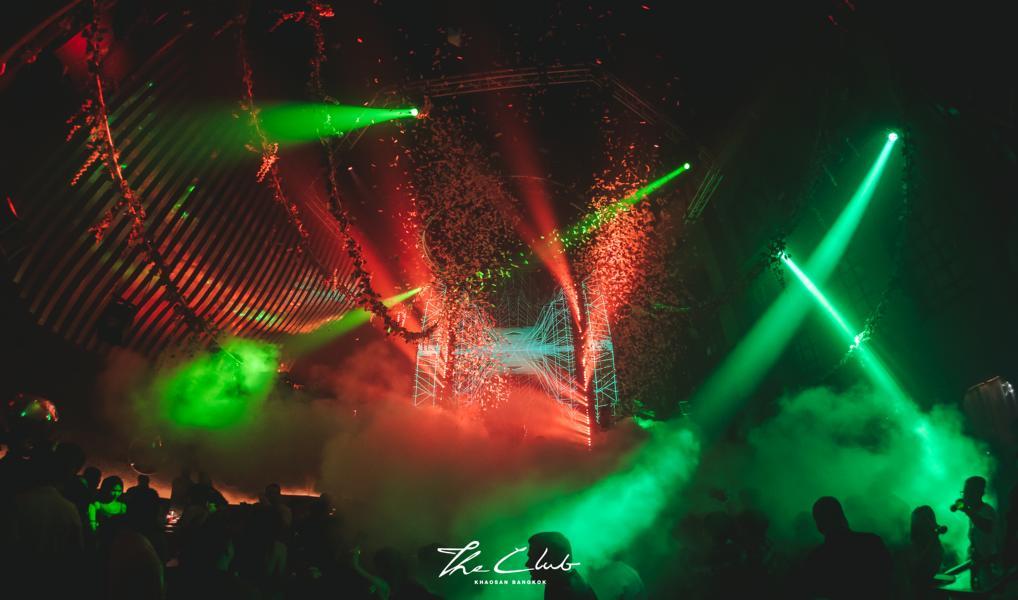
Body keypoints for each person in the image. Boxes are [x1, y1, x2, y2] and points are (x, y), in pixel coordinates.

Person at [802, 496, 893, 600]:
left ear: (819, 526)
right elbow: (888, 580)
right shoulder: (872, 542)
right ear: (843, 517)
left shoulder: (816, 558)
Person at [954, 476, 998, 590]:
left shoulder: (987, 510)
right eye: (964, 492)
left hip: (988, 567)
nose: (964, 496)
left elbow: (987, 527)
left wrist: (967, 510)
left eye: (967, 492)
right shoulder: (973, 512)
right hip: (976, 566)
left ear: (978, 493)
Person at [527, 532, 597, 600]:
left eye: (533, 558)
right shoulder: (564, 585)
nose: (527, 564)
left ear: (552, 560)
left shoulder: (565, 593)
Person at [908, 505, 944, 598]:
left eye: (928, 519)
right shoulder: (914, 542)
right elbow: (917, 566)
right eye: (923, 520)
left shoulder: (931, 536)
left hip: (931, 586)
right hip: (919, 588)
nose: (926, 522)